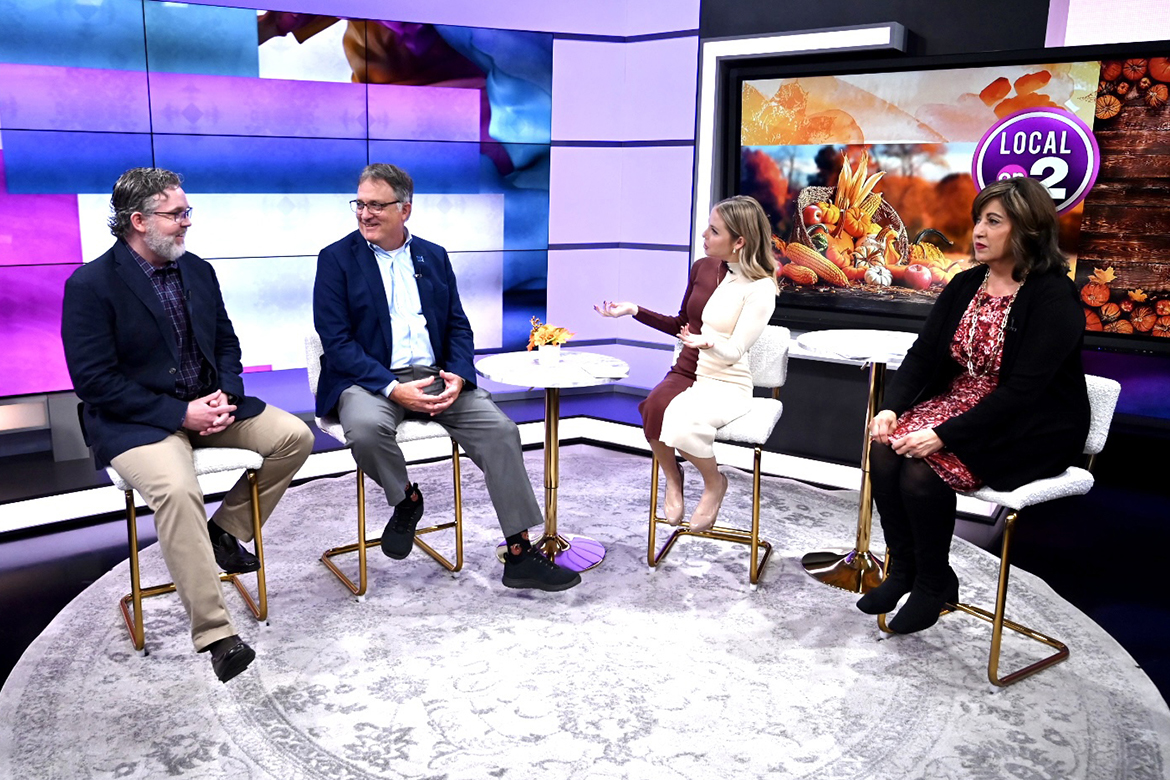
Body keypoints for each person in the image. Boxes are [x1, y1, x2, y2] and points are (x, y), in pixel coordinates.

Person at [61, 168, 315, 682]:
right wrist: (180, 414)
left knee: (295, 436)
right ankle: (218, 635)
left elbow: (226, 343)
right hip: (136, 422)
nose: (186, 224)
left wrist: (226, 393)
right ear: (137, 221)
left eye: (186, 212)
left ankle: (227, 531)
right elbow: (95, 382)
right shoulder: (89, 285)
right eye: (176, 214)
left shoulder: (197, 271)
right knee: (178, 491)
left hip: (209, 407)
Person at [312, 163, 580, 591]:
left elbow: (457, 325)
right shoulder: (336, 259)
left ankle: (519, 554)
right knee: (363, 429)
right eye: (359, 204)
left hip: (437, 374)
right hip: (370, 379)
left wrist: (457, 374)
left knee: (500, 431)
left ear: (405, 209)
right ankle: (406, 501)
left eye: (376, 205)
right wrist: (393, 388)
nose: (364, 214)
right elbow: (337, 341)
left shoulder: (432, 256)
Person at [858, 176, 1090, 634]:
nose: (978, 231)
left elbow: (1022, 392)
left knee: (925, 468)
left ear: (1026, 229)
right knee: (885, 447)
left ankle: (933, 581)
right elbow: (924, 356)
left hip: (1031, 421)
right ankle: (904, 569)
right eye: (978, 220)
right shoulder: (966, 283)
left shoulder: (1053, 297)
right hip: (964, 401)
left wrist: (942, 435)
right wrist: (891, 408)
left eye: (993, 221)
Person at [594, 195, 778, 532]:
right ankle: (673, 477)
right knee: (653, 407)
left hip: (725, 378)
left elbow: (735, 349)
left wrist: (708, 341)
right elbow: (681, 322)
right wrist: (635, 310)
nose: (704, 236)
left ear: (740, 242)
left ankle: (713, 483)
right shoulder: (703, 267)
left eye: (714, 231)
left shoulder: (760, 288)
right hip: (687, 369)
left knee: (682, 425)